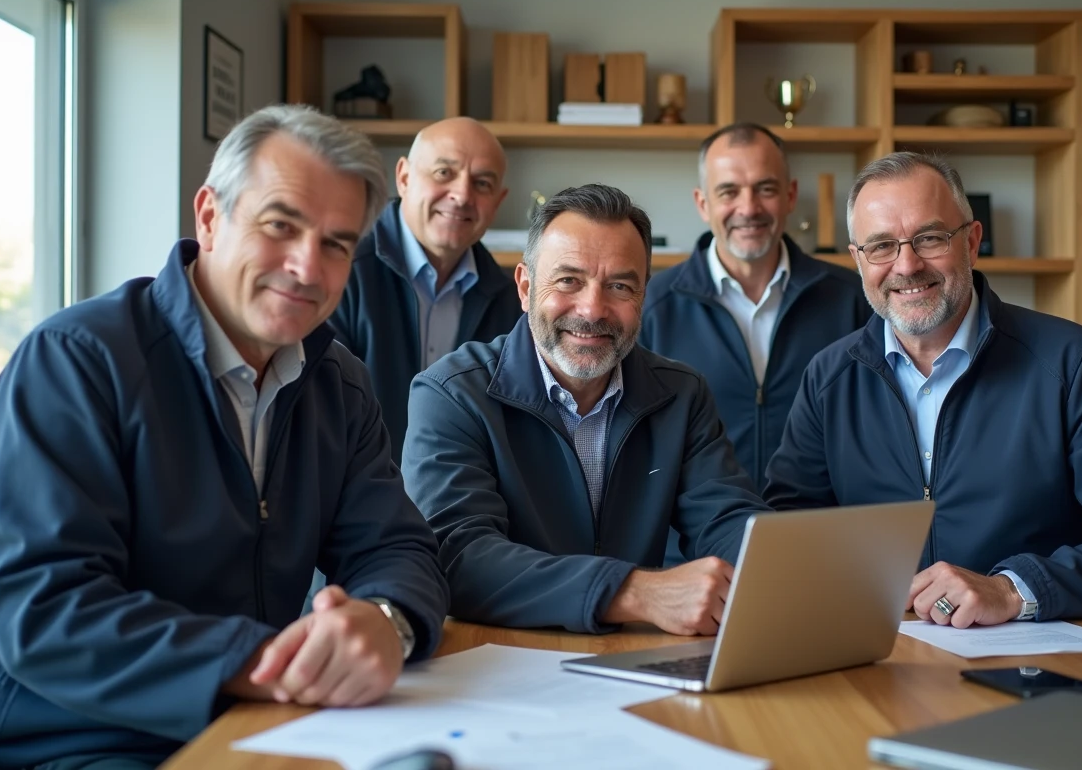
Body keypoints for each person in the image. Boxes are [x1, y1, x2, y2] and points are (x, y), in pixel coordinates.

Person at [0, 105, 449, 769]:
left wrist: (387, 622)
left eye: (335, 244)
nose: (306, 267)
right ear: (209, 216)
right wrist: (263, 661)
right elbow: (46, 610)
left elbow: (398, 544)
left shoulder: (338, 382)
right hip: (76, 738)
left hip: (259, 719)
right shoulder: (75, 361)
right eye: (280, 226)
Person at [763, 151, 1082, 627]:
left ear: (971, 242)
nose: (906, 265)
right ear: (858, 260)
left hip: (1041, 665)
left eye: (929, 238)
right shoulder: (828, 378)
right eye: (881, 246)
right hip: (880, 657)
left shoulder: (1075, 365)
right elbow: (788, 536)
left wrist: (1012, 589)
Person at [401, 183, 772, 636]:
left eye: (619, 285)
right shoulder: (452, 392)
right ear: (525, 286)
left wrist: (769, 570)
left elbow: (727, 520)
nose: (592, 309)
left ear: (642, 298)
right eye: (568, 280)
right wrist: (633, 592)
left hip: (630, 658)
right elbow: (456, 555)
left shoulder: (682, 394)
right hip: (495, 659)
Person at [641, 123, 870, 486]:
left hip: (818, 532)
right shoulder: (652, 306)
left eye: (765, 189)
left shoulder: (851, 298)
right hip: (697, 539)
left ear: (790, 195)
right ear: (703, 203)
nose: (749, 208)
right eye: (729, 191)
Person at [330, 117, 521, 459]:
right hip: (351, 496)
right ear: (403, 177)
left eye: (482, 183)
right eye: (444, 173)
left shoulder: (512, 302)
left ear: (498, 201)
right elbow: (320, 413)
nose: (462, 195)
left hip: (458, 499)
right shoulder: (341, 271)